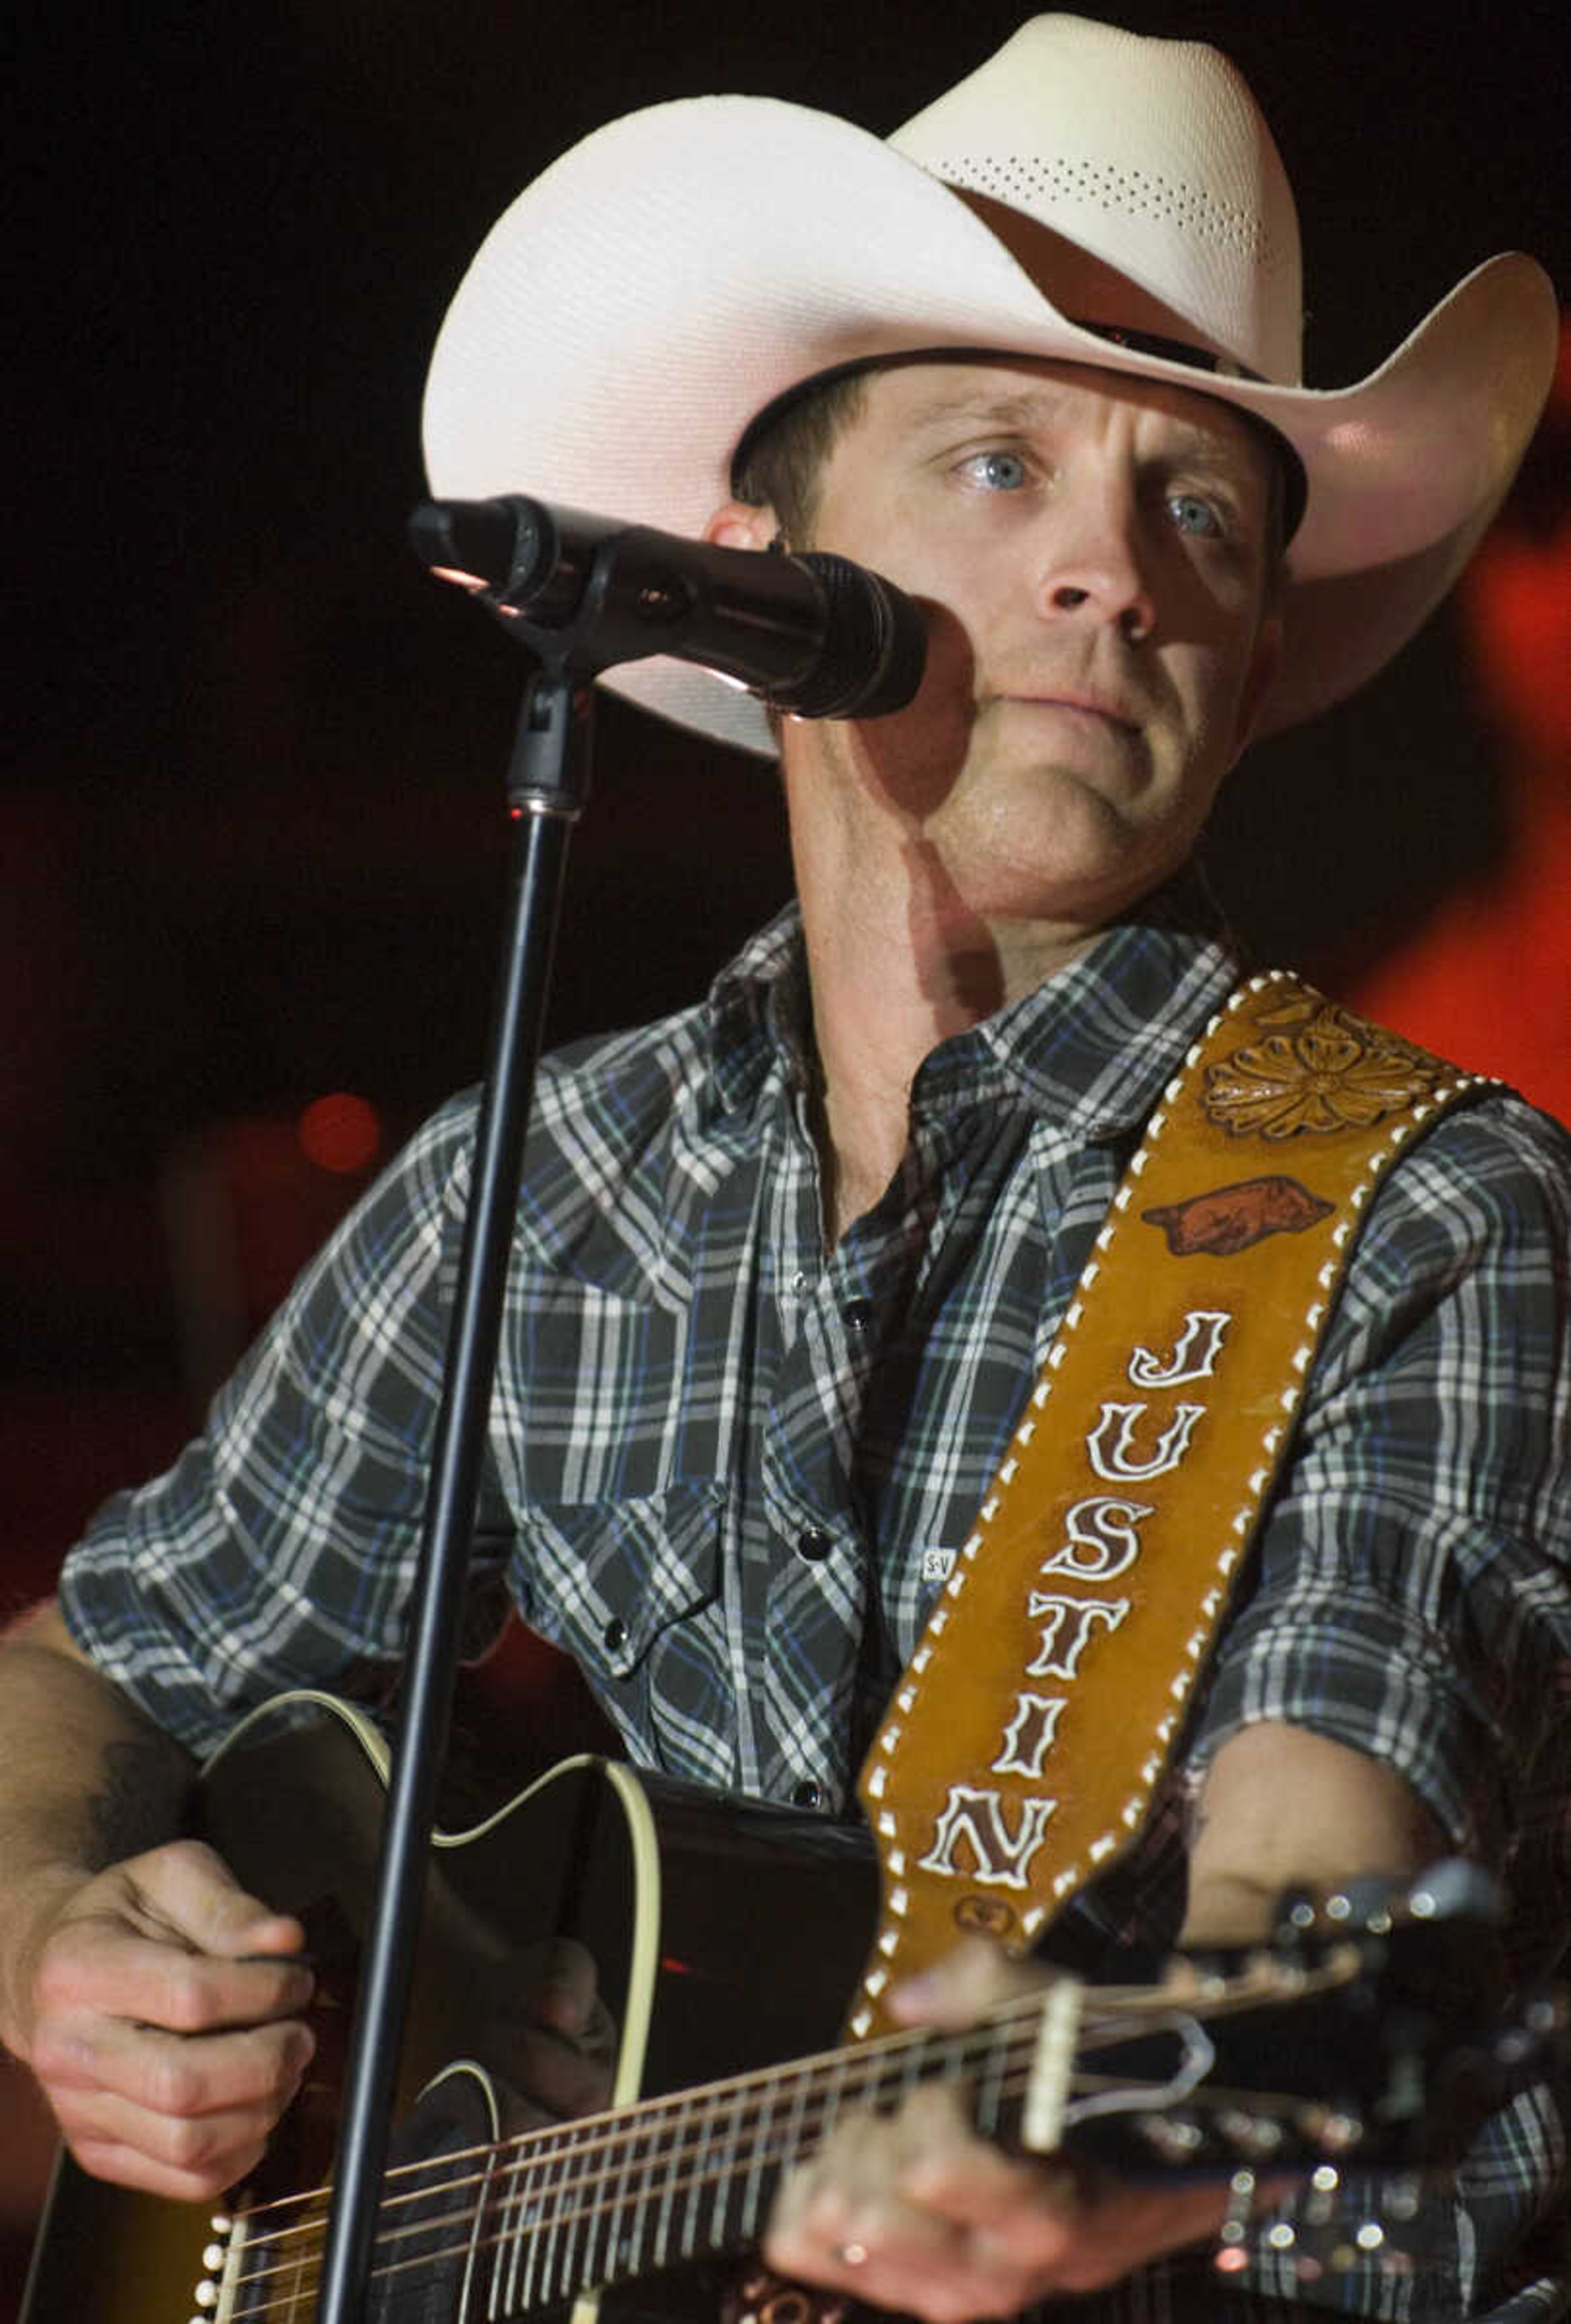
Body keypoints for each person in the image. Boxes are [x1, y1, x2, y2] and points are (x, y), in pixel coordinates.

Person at [2, 16, 1567, 2320]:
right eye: (1003, 462)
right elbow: (81, 1670)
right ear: (761, 552)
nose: (1112, 573)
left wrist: (1181, 2085)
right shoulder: (547, 1184)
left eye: (1198, 511)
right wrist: (71, 1939)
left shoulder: (1440, 1206)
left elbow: (1313, 1870)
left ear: (1245, 671)